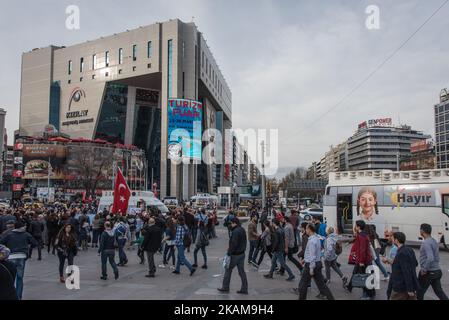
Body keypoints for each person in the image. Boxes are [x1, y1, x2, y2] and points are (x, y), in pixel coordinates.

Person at [0, 221, 37, 300]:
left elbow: (1, 242)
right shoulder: (26, 234)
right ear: (22, 227)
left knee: (10, 277)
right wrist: (28, 247)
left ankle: (11, 292)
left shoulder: (9, 235)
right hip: (21, 256)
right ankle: (18, 296)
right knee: (20, 278)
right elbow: (34, 243)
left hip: (11, 256)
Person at [297, 223, 335, 300]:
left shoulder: (311, 241)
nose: (305, 230)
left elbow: (312, 255)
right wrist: (305, 259)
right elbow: (315, 253)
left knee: (303, 284)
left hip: (311, 265)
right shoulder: (316, 238)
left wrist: (311, 268)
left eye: (306, 229)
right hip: (317, 263)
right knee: (322, 285)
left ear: (309, 229)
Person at [417, 223, 449, 300]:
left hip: (428, 273)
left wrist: (424, 269)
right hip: (436, 271)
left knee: (419, 292)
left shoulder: (426, 243)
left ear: (422, 230)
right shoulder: (433, 241)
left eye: (420, 229)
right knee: (439, 292)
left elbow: (430, 258)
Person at [345, 220, 374, 300]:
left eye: (356, 225)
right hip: (364, 259)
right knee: (359, 274)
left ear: (358, 227)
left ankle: (367, 294)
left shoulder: (361, 236)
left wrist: (361, 261)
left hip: (363, 260)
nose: (355, 227)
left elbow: (362, 250)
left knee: (364, 277)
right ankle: (370, 293)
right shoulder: (363, 235)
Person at [218, 217, 248, 294]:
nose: (230, 224)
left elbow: (234, 244)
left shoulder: (235, 231)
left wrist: (229, 253)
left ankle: (225, 287)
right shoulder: (242, 229)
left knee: (228, 270)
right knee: (242, 272)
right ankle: (244, 288)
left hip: (235, 255)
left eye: (231, 223)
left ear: (235, 223)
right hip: (242, 254)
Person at [389, 232, 419, 300]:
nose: (392, 240)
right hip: (408, 285)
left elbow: (406, 271)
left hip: (401, 287)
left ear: (396, 240)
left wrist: (409, 289)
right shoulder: (409, 249)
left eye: (393, 238)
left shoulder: (401, 253)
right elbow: (415, 263)